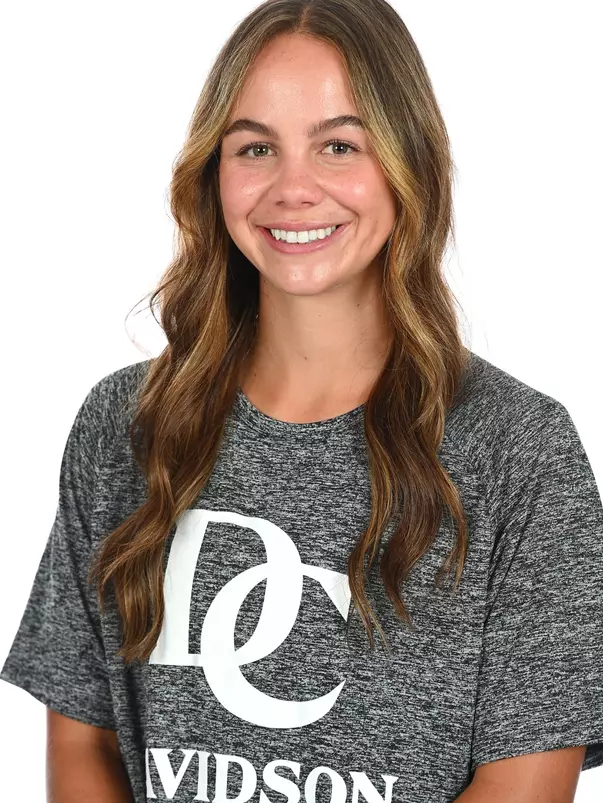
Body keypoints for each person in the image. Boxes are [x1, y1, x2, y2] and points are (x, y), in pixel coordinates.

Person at [2, 1, 602, 801]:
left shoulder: (520, 449)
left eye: (338, 145)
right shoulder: (124, 427)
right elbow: (81, 740)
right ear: (214, 172)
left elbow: (525, 783)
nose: (292, 188)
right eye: (255, 147)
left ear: (406, 163)